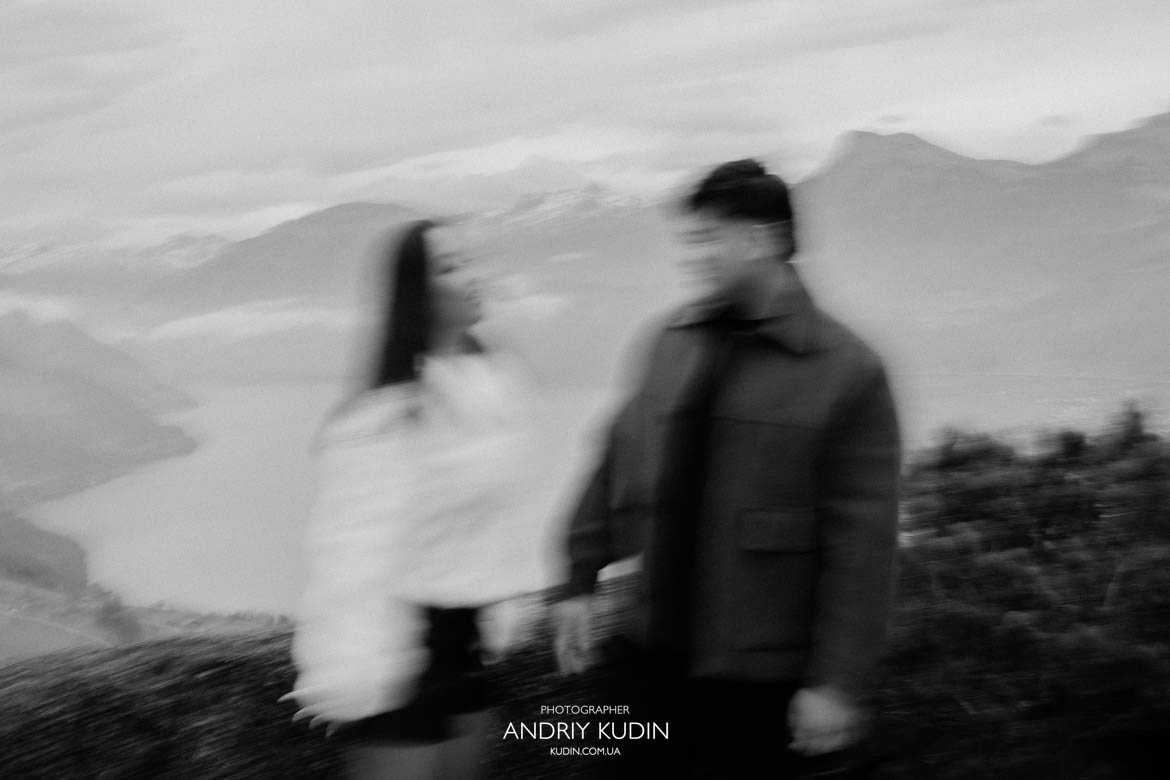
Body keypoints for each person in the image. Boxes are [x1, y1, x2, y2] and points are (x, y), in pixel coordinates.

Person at [552, 159, 901, 777]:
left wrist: (837, 684)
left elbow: (863, 547)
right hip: (642, 659)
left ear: (760, 240)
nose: (693, 256)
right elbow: (612, 460)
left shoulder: (848, 371)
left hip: (758, 682)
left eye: (707, 238)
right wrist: (577, 580)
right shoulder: (667, 340)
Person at [283, 219, 534, 779]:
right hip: (393, 656)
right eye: (449, 267)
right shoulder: (384, 417)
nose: (473, 277)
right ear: (417, 294)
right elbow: (348, 550)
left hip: (466, 643)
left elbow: (493, 524)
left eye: (471, 261)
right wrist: (349, 673)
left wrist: (498, 611)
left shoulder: (486, 389)